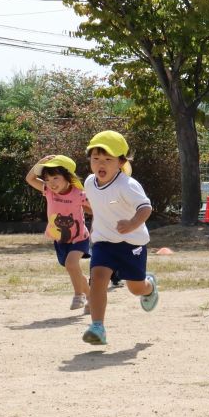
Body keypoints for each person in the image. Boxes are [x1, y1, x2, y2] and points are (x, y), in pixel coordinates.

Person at [81, 130, 159, 345]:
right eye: (96, 159)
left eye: (108, 159)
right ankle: (98, 327)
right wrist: (87, 208)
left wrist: (132, 224)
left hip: (131, 244)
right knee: (97, 279)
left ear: (121, 162)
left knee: (136, 288)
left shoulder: (127, 185)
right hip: (104, 242)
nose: (101, 164)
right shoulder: (89, 182)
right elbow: (100, 206)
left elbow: (146, 208)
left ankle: (149, 286)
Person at [25, 154, 92, 312]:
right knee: (72, 268)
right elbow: (30, 178)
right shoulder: (48, 191)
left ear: (67, 176)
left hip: (79, 238)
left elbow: (95, 209)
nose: (51, 183)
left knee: (71, 264)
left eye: (55, 178)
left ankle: (78, 296)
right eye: (47, 179)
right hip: (60, 239)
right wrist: (41, 161)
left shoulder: (78, 194)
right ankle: (91, 297)